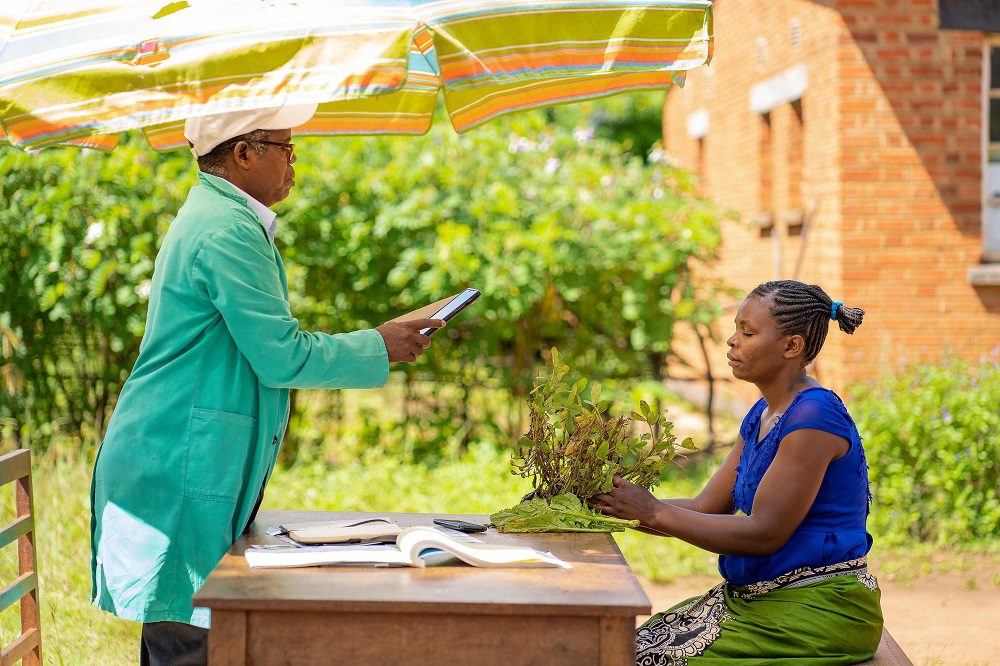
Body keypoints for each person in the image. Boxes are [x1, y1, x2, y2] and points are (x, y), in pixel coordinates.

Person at [89, 104, 444, 666]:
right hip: (177, 460)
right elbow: (281, 356)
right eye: (286, 148)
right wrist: (380, 345)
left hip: (181, 455)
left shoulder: (220, 217)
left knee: (187, 635)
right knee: (190, 641)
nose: (294, 164)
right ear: (244, 153)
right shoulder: (228, 230)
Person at [590, 280, 883, 665]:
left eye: (748, 332)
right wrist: (606, 506)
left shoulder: (814, 417)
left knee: (636, 659)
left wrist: (652, 511)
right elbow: (706, 507)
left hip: (818, 609)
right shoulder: (763, 414)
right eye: (735, 330)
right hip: (756, 600)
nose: (732, 341)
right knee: (616, 647)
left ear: (791, 346)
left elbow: (764, 533)